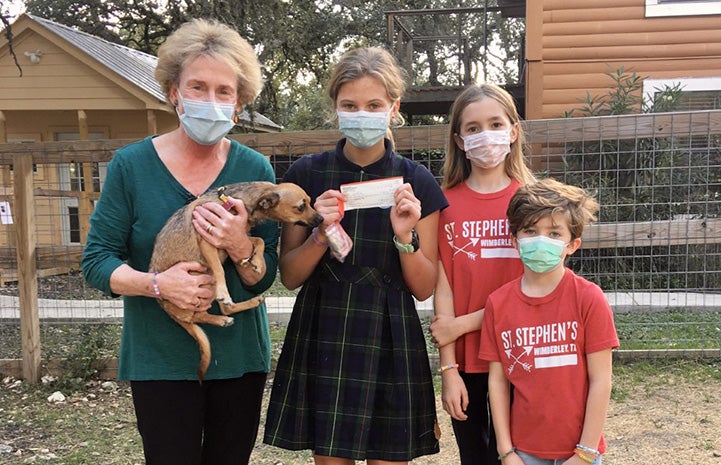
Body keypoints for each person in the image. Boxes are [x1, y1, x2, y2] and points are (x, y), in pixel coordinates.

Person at [81, 19, 277, 465]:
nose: (211, 102)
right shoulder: (131, 166)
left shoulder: (256, 170)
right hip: (159, 359)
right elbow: (96, 261)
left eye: (224, 92)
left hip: (239, 358)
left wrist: (241, 247)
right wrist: (158, 284)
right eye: (197, 87)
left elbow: (263, 281)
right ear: (173, 91)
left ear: (239, 101)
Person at [263, 46, 447, 464]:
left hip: (391, 333)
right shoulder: (307, 175)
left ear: (393, 108)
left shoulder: (417, 181)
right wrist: (319, 236)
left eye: (373, 105)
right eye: (350, 105)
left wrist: (406, 238)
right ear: (335, 109)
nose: (361, 113)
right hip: (326, 326)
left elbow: (423, 287)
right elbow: (289, 276)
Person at [478, 178, 619, 465]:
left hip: (580, 451)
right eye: (531, 230)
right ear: (515, 240)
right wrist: (506, 452)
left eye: (554, 233)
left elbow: (601, 380)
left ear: (572, 244)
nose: (541, 240)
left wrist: (586, 452)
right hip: (524, 452)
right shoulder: (498, 303)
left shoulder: (589, 299)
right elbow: (498, 381)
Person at [432, 83, 536, 465]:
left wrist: (463, 325)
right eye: (473, 128)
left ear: (513, 131)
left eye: (495, 123)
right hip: (467, 365)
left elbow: (537, 292)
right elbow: (443, 294)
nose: (485, 135)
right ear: (459, 140)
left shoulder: (533, 204)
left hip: (524, 356)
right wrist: (448, 369)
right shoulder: (442, 205)